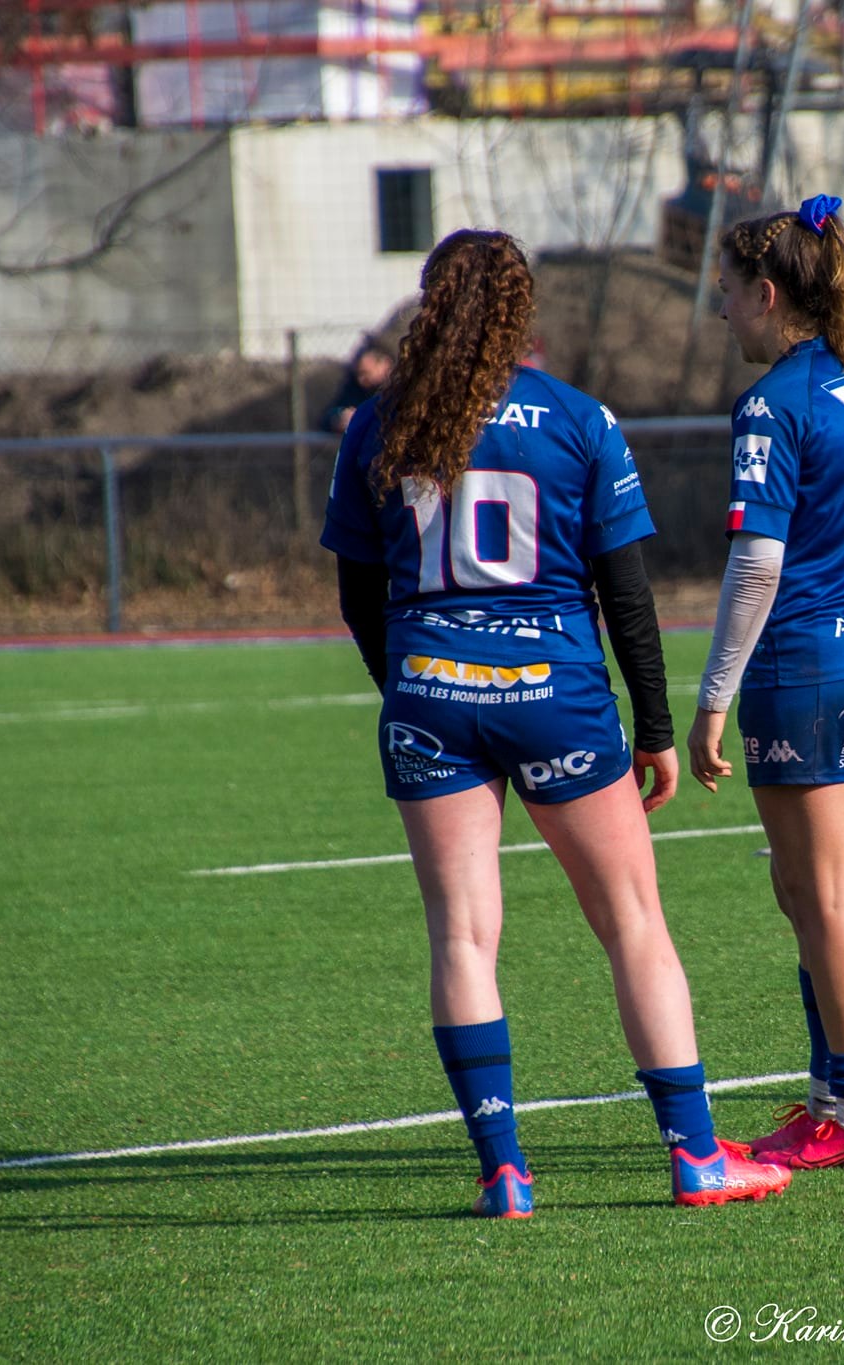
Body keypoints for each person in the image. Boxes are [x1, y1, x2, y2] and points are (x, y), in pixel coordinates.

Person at [321, 228, 790, 1216]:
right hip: (555, 696)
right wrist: (655, 728)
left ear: (430, 305)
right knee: (632, 924)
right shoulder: (578, 417)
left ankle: (503, 1172)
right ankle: (696, 1158)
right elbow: (627, 594)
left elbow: (358, 594)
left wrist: (406, 684)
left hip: (430, 694)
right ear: (519, 312)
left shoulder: (379, 421)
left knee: (462, 937)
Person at [686, 194, 844, 1172]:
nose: (721, 310)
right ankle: (833, 1100)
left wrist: (711, 697)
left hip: (807, 664)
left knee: (825, 899)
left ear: (768, 294)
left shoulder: (774, 402)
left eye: (728, 292)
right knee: (809, 893)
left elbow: (757, 565)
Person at [316, 337, 396, 435]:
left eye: (365, 373)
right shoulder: (355, 387)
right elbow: (328, 415)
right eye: (358, 374)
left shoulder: (401, 387)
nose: (360, 379)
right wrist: (339, 418)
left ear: (385, 364)